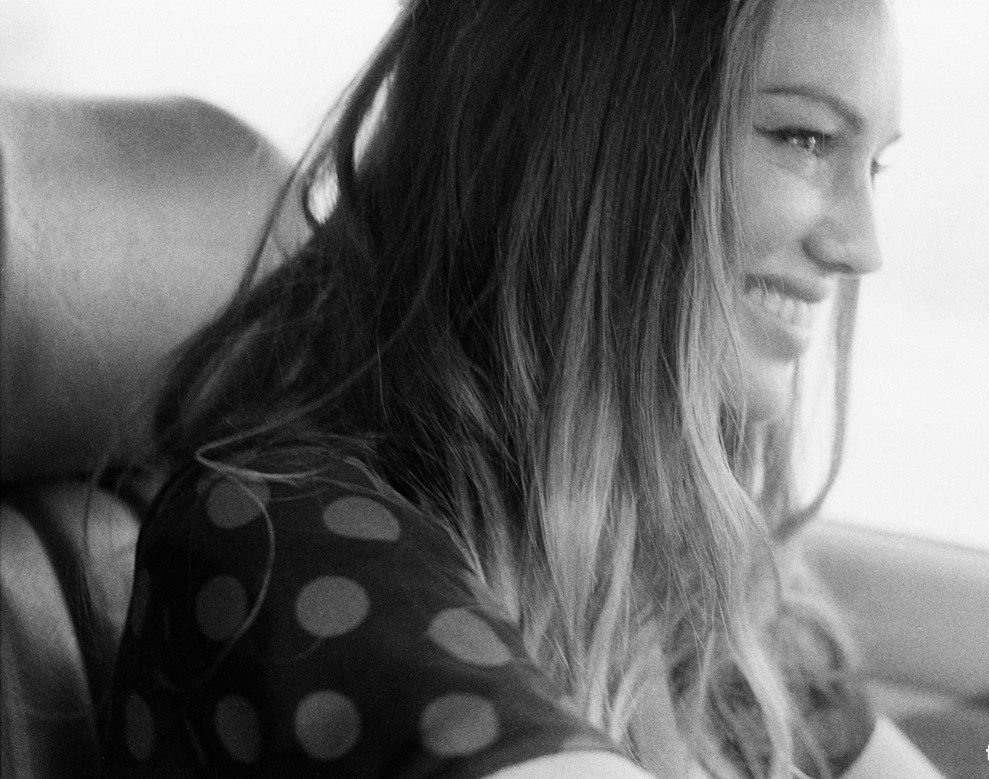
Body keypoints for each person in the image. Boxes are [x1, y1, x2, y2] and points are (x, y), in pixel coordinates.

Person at [101, 0, 932, 776]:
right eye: (806, 138)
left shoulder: (702, 575)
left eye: (874, 164)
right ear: (589, 136)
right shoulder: (283, 539)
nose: (863, 247)